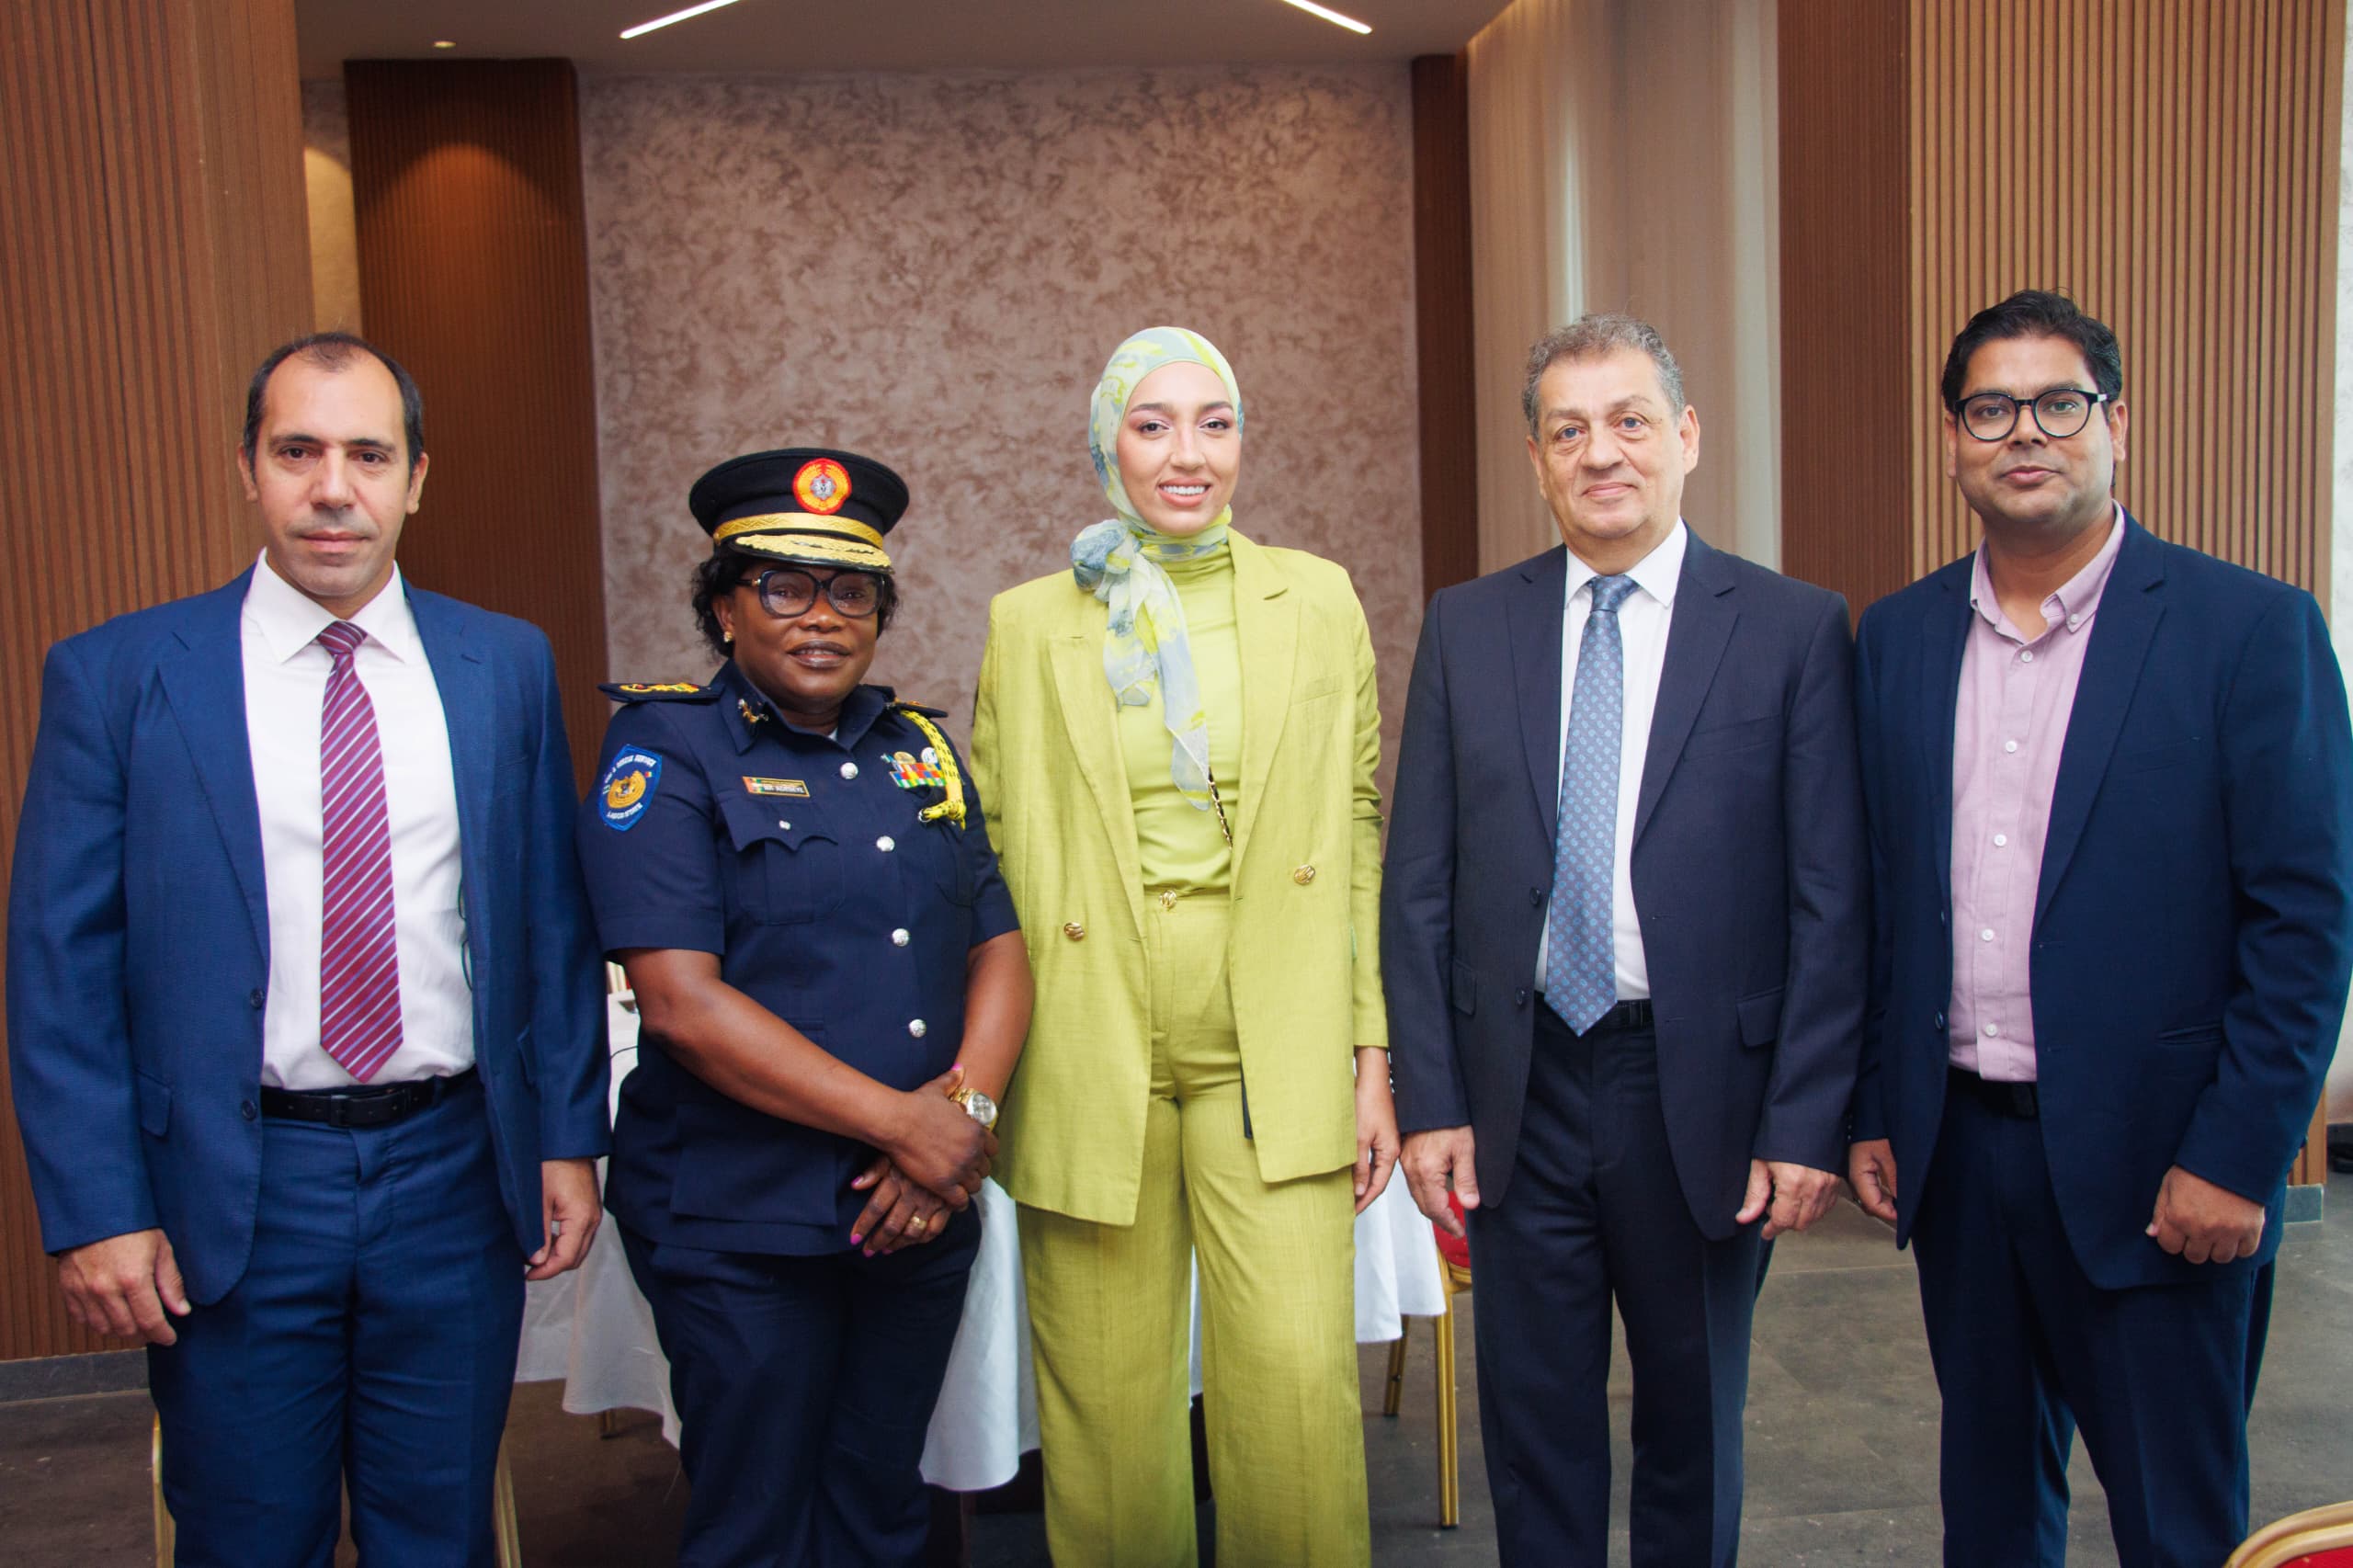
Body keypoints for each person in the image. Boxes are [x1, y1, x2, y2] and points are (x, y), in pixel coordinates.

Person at [6, 331, 608, 1564]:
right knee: (247, 1534)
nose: (335, 487)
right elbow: (60, 969)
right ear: (249, 469)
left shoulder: (503, 665)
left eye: (368, 454)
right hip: (233, 1193)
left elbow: (550, 922)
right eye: (299, 451)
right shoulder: (120, 678)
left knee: (436, 1531)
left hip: (453, 1174)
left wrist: (566, 1134)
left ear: (417, 477)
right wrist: (94, 1208)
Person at [1845, 290, 2353, 1567]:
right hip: (1960, 1160)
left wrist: (2241, 1156)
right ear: (1954, 439)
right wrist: (1874, 1104)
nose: (2027, 432)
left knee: (2175, 1526)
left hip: (2164, 1169)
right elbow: (1878, 897)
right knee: (1990, 1520)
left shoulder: (2251, 631)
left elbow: (2305, 919)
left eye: (2060, 403)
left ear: (2116, 423)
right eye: (1991, 408)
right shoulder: (1899, 639)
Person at [1383, 313, 1870, 1567]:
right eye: (1569, 429)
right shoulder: (1469, 625)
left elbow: (1832, 894)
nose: (1603, 452)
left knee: (1692, 1418)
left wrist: (1804, 1116)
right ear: (1537, 461)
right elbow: (1420, 881)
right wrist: (1431, 1096)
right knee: (1533, 1424)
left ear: (1687, 437)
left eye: (1631, 420)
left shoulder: (1790, 628)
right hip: (1519, 1085)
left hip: (1696, 1085)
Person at [970, 326, 1394, 1567]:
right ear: (1109, 444)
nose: (1187, 451)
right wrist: (981, 1069)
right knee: (1104, 1409)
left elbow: (1359, 824)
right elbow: (987, 849)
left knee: (1298, 1391)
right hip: (1088, 1036)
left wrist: (1372, 1046)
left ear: (1243, 441)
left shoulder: (1316, 597)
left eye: (1214, 421)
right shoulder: (1030, 621)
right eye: (1152, 423)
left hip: (1279, 1038)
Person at [574, 448, 1030, 1567]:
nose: (820, 617)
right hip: (741, 1218)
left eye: (850, 590)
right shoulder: (663, 747)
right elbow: (680, 1004)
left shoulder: (918, 748)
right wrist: (908, 1126)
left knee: (887, 1506)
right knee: (757, 1520)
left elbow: (1001, 946)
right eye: (782, 586)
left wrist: (958, 1115)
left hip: (917, 1208)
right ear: (724, 609)